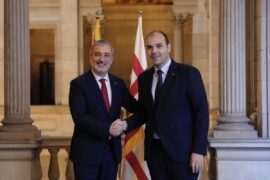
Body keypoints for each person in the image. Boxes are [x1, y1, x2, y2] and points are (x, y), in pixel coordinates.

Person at [114, 30, 209, 180]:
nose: (154, 51)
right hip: (155, 154)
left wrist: (198, 150)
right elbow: (145, 113)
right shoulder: (144, 78)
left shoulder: (188, 74)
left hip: (183, 154)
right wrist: (125, 125)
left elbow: (201, 113)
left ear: (169, 47)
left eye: (159, 46)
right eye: (150, 47)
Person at [69, 39, 137, 180]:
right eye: (97, 54)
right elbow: (80, 117)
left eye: (106, 55)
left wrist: (126, 124)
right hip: (86, 156)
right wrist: (108, 129)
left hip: (111, 155)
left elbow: (136, 108)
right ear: (90, 57)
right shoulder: (78, 84)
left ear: (112, 59)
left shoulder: (118, 83)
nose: (102, 59)